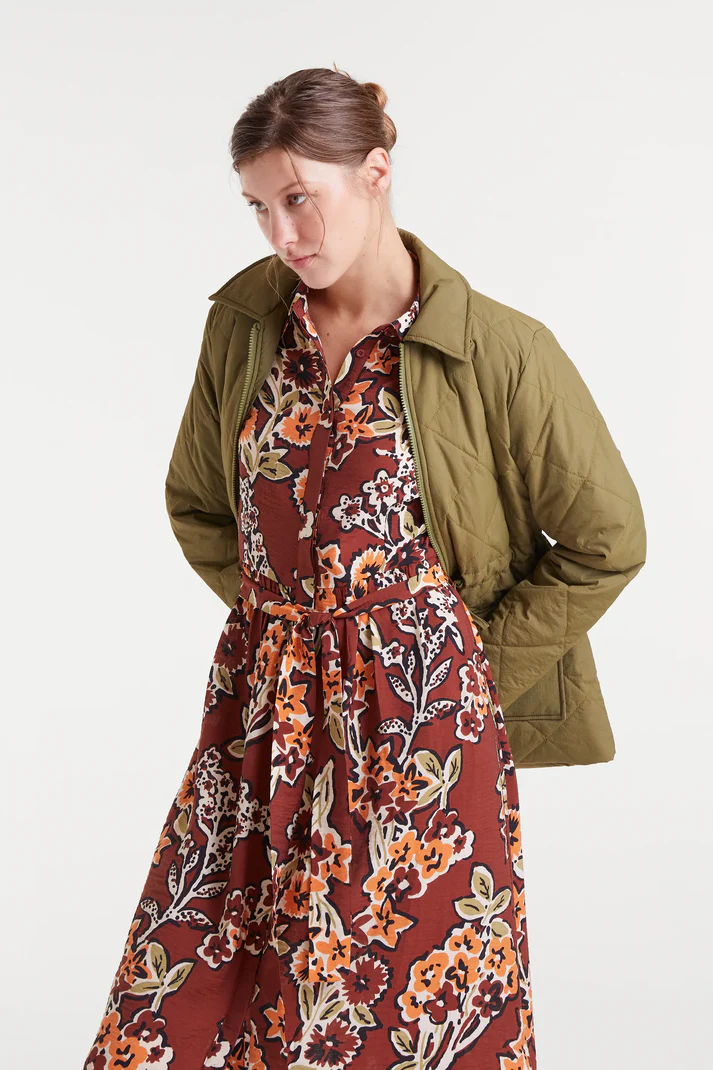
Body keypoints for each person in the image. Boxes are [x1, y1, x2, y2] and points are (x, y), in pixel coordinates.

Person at [84, 66, 645, 1070]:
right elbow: (200, 505)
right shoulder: (245, 328)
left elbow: (607, 538)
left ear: (376, 171)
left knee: (393, 1011)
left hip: (420, 732)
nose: (281, 232)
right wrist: (286, 632)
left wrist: (462, 668)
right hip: (259, 720)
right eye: (258, 206)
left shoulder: (500, 350)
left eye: (299, 198)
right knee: (185, 998)